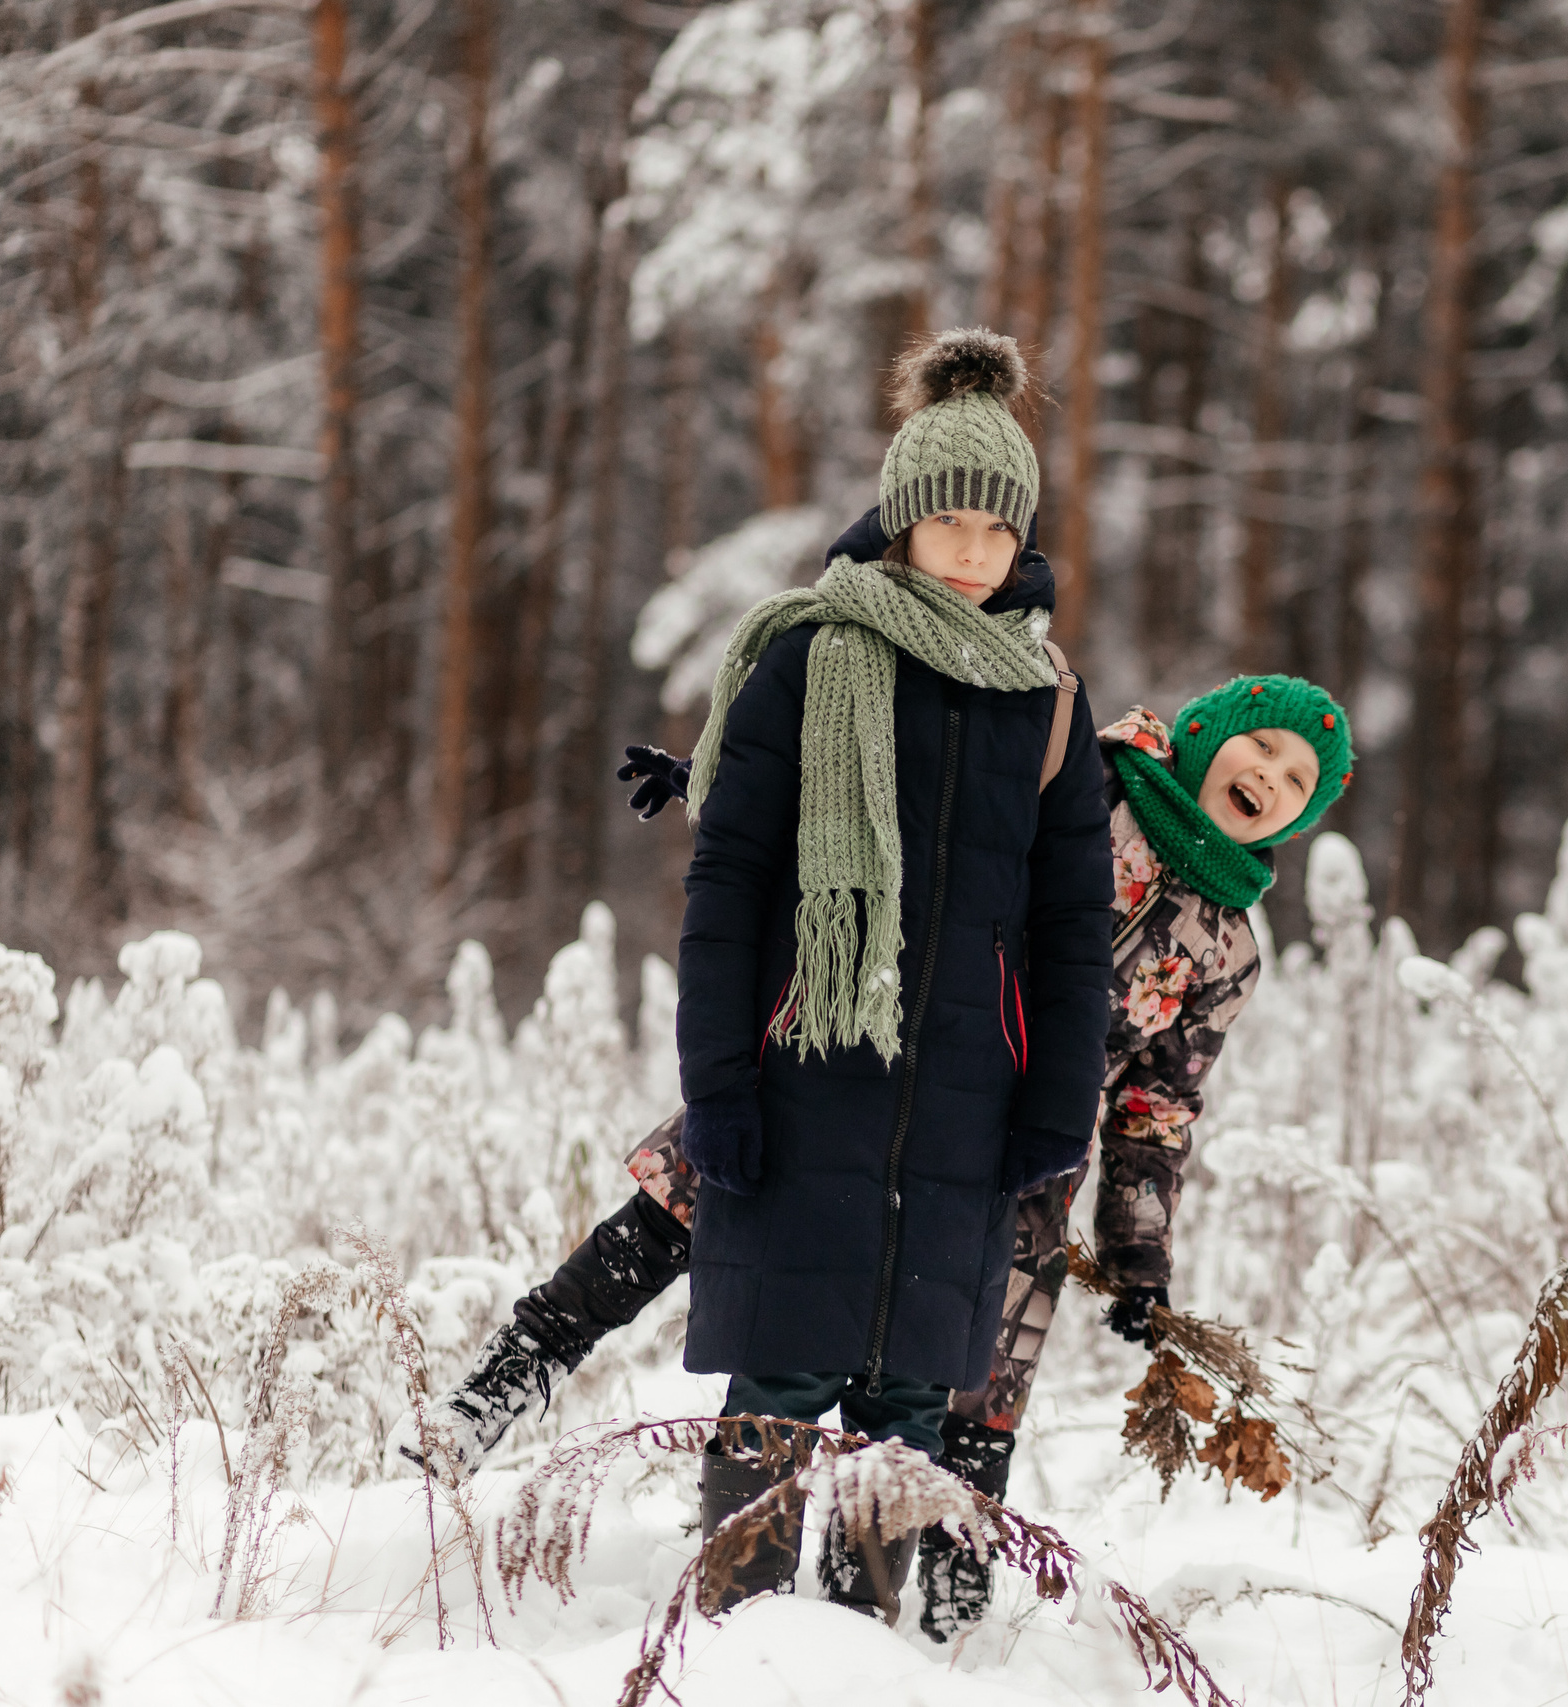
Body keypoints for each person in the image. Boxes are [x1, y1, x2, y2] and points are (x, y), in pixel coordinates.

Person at [401, 660, 1352, 1638]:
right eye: (1265, 748)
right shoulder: (1073, 780)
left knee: (975, 1389)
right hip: (869, 1064)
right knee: (672, 1220)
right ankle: (481, 1404)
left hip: (1017, 1166)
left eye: (1297, 786)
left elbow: (1157, 1109)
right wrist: (724, 784)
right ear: (1205, 733)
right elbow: (896, 799)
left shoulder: (1227, 949)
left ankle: (942, 1626)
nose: (1270, 779)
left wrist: (1137, 1256)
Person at [629, 325, 1115, 1622]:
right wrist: (719, 1078)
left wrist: (1058, 1105)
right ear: (900, 519)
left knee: (906, 1417)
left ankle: (858, 1651)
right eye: (944, 519)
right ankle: (731, 1634)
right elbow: (727, 887)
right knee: (782, 1387)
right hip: (806, 1087)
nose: (969, 549)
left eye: (994, 527)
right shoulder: (809, 657)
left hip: (965, 1108)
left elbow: (1074, 932)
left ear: (1023, 539)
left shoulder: (1051, 698)